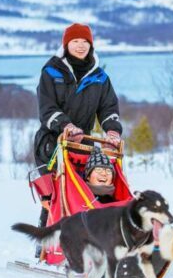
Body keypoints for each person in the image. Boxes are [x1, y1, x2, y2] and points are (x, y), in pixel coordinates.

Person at [32, 23, 123, 236]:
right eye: (75, 42)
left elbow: (109, 107)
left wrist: (112, 131)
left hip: (83, 145)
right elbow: (46, 109)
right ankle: (45, 244)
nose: (80, 46)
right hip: (52, 142)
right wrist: (66, 125)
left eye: (85, 42)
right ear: (66, 44)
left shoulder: (99, 77)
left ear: (91, 45)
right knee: (54, 194)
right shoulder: (51, 71)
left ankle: (86, 240)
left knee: (85, 191)